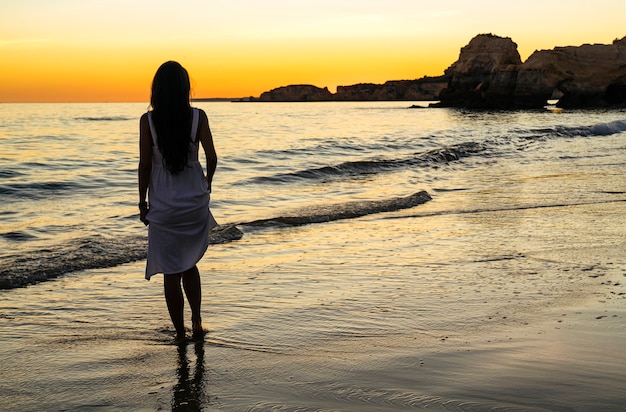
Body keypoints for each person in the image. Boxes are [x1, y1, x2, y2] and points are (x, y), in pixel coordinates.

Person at [138, 61, 218, 344]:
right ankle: (197, 321)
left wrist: (142, 202)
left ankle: (179, 332)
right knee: (189, 264)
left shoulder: (148, 121)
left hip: (164, 206)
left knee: (171, 271)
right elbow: (211, 157)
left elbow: (145, 165)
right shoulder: (199, 116)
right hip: (193, 202)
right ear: (185, 88)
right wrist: (206, 182)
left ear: (157, 89)